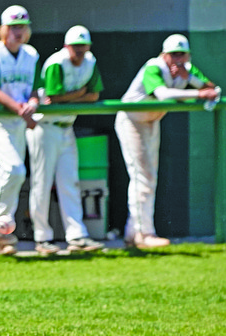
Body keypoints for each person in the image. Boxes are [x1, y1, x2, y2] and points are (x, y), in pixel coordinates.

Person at [115, 34, 219, 249]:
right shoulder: (154, 67)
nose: (178, 60)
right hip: (132, 121)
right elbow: (162, 94)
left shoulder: (187, 70)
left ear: (188, 55)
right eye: (173, 55)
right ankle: (144, 234)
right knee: (141, 176)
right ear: (164, 55)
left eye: (182, 55)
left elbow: (211, 88)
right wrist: (198, 94)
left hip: (152, 120)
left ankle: (133, 233)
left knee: (150, 177)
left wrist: (194, 81)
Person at [25, 25, 105, 254]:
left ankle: (77, 236)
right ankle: (42, 238)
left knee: (70, 182)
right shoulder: (56, 62)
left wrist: (71, 97)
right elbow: (54, 97)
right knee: (41, 183)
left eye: (83, 46)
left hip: (66, 127)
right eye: (75, 46)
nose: (79, 51)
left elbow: (95, 95)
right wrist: (80, 94)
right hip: (45, 127)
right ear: (67, 46)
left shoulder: (90, 61)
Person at [0, 5, 40, 255]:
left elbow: (36, 88)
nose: (18, 32)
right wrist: (19, 108)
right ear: (4, 29)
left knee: (16, 176)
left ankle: (2, 236)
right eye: (13, 27)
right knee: (15, 169)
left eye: (22, 27)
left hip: (18, 123)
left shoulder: (31, 54)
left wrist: (33, 103)